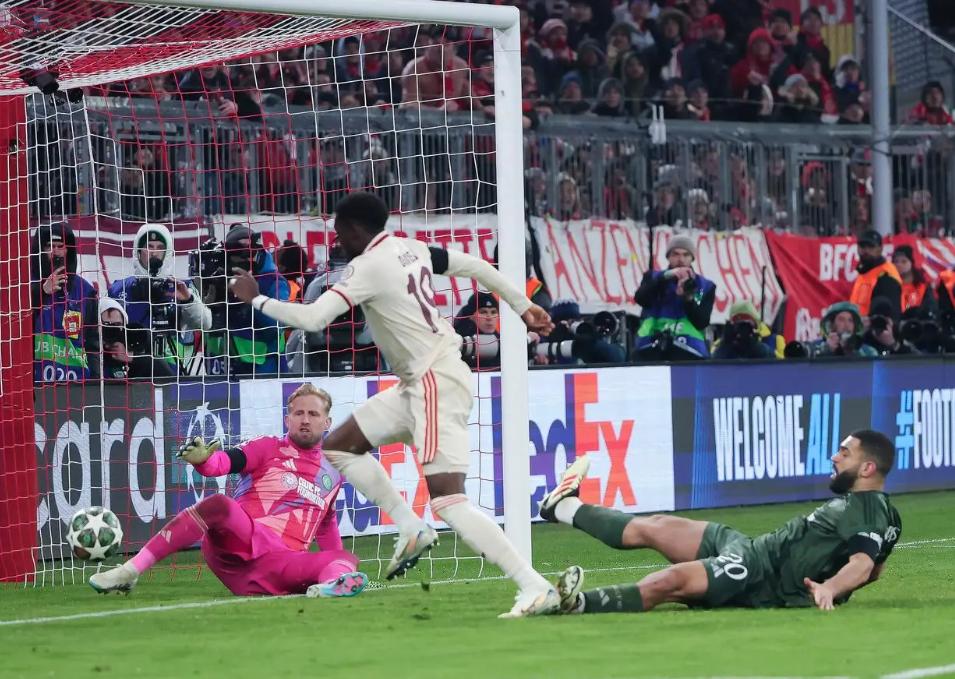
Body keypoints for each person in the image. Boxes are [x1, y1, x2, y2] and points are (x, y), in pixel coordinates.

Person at [229, 192, 561, 618]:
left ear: (353, 230)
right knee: (340, 446)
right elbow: (476, 266)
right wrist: (523, 305)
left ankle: (534, 586)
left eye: (339, 233)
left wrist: (256, 298)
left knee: (449, 502)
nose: (337, 241)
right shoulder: (411, 248)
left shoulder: (367, 267)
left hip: (433, 383)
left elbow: (313, 319)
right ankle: (409, 526)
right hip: (416, 384)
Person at [539, 430, 901, 614]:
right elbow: (875, 569)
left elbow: (862, 564)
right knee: (658, 525)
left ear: (867, 468)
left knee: (672, 582)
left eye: (845, 453)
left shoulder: (866, 507)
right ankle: (564, 507)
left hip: (759, 574)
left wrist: (830, 589)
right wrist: (837, 583)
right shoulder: (887, 515)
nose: (834, 457)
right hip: (750, 548)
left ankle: (573, 603)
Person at [89, 384, 366, 599]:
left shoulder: (334, 472)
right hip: (242, 544)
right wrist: (204, 461)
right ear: (287, 419)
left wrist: (337, 564)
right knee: (220, 505)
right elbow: (223, 462)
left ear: (327, 422)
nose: (305, 420)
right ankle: (129, 571)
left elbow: (326, 524)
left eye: (313, 414)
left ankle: (333, 584)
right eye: (298, 413)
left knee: (345, 559)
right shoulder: (267, 447)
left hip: (281, 564)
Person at [108, 223, 211, 374]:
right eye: (149, 246)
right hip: (130, 374)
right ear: (138, 251)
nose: (154, 253)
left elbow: (205, 323)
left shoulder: (181, 287)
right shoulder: (119, 289)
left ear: (167, 252)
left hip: (173, 374)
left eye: (160, 247)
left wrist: (188, 300)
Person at [30, 221, 99, 382]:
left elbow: (92, 342)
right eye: (49, 246)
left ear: (68, 250)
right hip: (35, 383)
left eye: (60, 246)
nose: (55, 252)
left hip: (77, 383)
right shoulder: (22, 287)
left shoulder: (85, 290)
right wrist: (41, 292)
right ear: (40, 250)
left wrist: (95, 379)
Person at [634, 235, 716, 361]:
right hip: (650, 346)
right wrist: (666, 277)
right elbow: (640, 299)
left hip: (690, 350)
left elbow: (702, 322)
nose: (681, 259)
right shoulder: (653, 277)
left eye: (686, 255)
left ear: (692, 258)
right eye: (675, 254)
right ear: (668, 257)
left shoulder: (704, 286)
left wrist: (688, 298)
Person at [99, 297, 176, 379]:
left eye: (117, 325)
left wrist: (132, 357)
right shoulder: (91, 352)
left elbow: (168, 376)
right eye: (106, 325)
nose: (112, 330)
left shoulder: (133, 346)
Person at [850, 230, 902, 321]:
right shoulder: (865, 271)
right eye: (862, 246)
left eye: (871, 247)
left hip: (874, 327)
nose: (866, 250)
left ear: (880, 249)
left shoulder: (886, 274)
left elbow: (890, 313)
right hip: (859, 325)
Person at [712, 300, 776, 359]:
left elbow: (775, 364)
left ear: (754, 327)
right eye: (738, 324)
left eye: (747, 326)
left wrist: (755, 346)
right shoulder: (722, 345)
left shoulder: (772, 342)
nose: (742, 329)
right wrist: (725, 344)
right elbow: (712, 364)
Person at [811, 301, 877, 358]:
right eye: (841, 320)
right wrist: (826, 349)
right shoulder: (818, 347)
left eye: (850, 320)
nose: (847, 324)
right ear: (831, 325)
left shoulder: (868, 351)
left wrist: (852, 350)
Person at [892, 245, 936, 316]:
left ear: (912, 263)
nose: (899, 265)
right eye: (896, 261)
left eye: (904, 261)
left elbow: (931, 309)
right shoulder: (890, 286)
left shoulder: (923, 288)